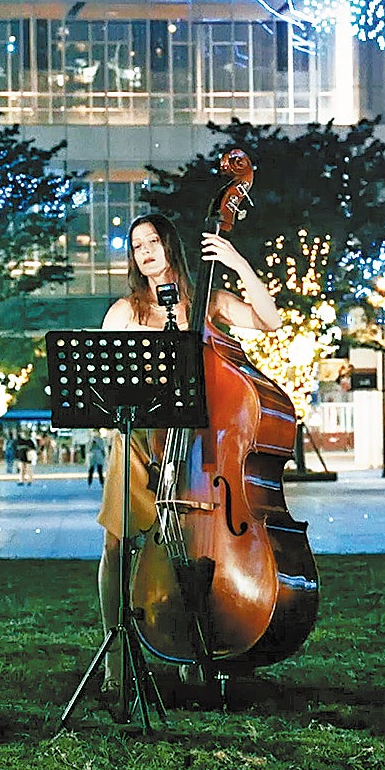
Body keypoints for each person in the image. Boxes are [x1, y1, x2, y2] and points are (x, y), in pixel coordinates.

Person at [95, 211, 281, 689]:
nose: (146, 252)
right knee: (117, 543)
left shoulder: (207, 302)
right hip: (142, 440)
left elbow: (271, 321)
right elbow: (107, 385)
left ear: (171, 245)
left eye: (153, 241)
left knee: (198, 540)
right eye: (137, 246)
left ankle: (193, 642)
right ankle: (117, 658)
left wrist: (237, 261)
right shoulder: (126, 312)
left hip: (200, 452)